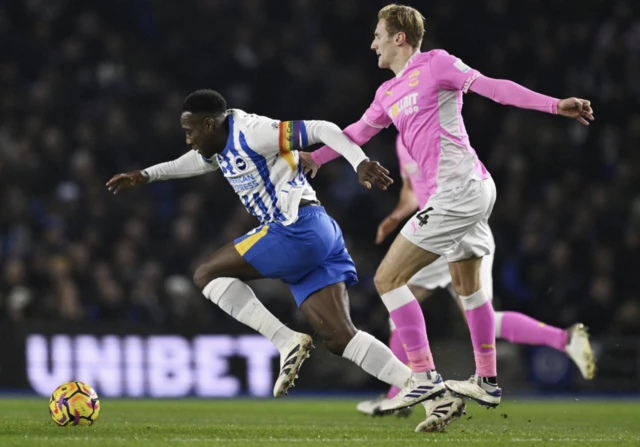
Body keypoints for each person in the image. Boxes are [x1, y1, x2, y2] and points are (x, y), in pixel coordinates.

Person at [106, 89, 459, 432]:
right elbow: (195, 162)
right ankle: (435, 395)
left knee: (205, 274)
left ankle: (285, 340)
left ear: (210, 124)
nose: (187, 140)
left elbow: (321, 128)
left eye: (189, 131)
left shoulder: (254, 131)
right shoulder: (219, 145)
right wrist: (146, 175)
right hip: (318, 233)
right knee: (339, 338)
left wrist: (360, 162)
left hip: (295, 230)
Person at [300, 4, 594, 410]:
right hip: (459, 194)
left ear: (399, 37)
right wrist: (316, 158)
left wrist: (553, 104)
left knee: (387, 280)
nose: (373, 44)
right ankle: (487, 380)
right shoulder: (387, 93)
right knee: (469, 289)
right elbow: (356, 133)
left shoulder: (436, 64)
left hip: (462, 189)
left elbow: (493, 87)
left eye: (378, 35)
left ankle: (421, 376)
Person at [343, 136, 595, 416]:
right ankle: (564, 338)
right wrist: (397, 215)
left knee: (395, 295)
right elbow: (412, 190)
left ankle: (401, 392)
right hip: (462, 228)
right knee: (482, 318)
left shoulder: (433, 128)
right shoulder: (405, 139)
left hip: (445, 229)